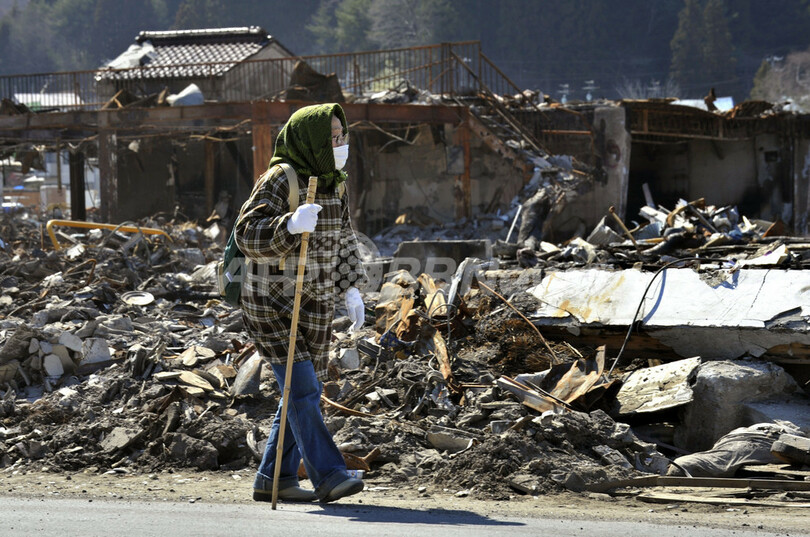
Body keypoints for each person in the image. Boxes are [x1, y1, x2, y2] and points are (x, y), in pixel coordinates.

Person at [234, 103, 368, 503]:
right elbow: (246, 234)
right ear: (311, 140)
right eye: (333, 138)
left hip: (313, 304)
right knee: (305, 387)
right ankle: (328, 474)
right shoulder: (280, 178)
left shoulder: (335, 182)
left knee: (297, 389)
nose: (341, 143)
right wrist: (289, 226)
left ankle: (272, 479)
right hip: (270, 304)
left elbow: (344, 239)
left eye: (343, 135)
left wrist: (351, 289)